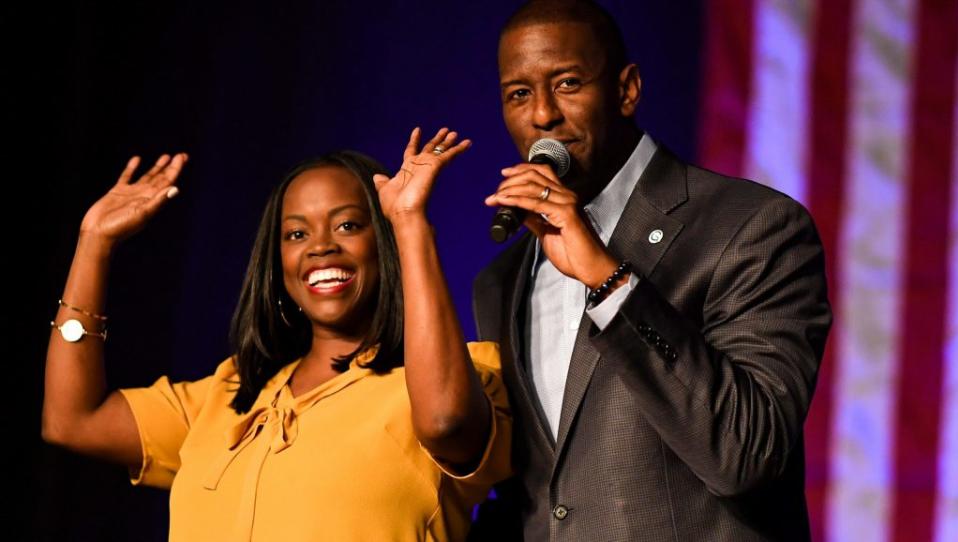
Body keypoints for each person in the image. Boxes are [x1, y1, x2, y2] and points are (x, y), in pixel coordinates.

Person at [471, 1, 831, 540]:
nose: (542, 114)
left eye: (567, 83)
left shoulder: (754, 227)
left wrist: (610, 280)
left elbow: (747, 453)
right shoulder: (502, 280)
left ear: (626, 90)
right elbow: (537, 494)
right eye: (519, 93)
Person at [42, 128, 511, 541]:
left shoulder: (446, 383)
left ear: (382, 243)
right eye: (295, 234)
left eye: (348, 225)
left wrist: (409, 222)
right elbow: (72, 419)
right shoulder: (228, 395)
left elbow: (446, 420)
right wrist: (94, 245)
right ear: (276, 263)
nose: (321, 246)